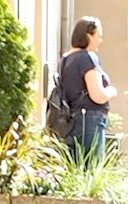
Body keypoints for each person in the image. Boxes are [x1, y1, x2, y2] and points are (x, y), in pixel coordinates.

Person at [46, 16, 113, 162]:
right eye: (98, 36)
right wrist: (111, 91)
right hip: (90, 119)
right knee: (91, 169)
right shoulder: (87, 58)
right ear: (89, 35)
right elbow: (97, 95)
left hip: (71, 120)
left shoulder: (65, 60)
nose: (100, 40)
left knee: (76, 166)